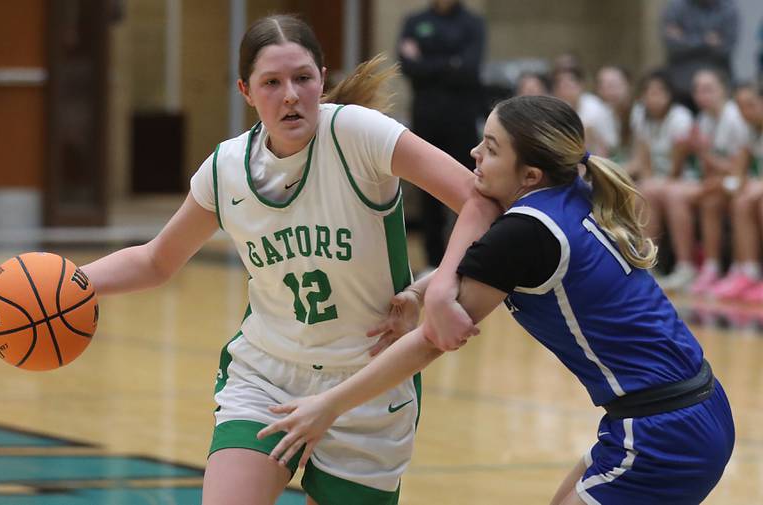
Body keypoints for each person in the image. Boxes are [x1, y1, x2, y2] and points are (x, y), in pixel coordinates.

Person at [79, 14, 495, 505]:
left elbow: (478, 200)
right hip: (268, 373)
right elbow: (156, 261)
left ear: (323, 77)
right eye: (272, 83)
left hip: (368, 380)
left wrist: (433, 288)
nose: (291, 95)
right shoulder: (226, 168)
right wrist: (71, 282)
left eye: (303, 77)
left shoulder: (358, 134)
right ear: (246, 92)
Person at [258, 95, 735, 505]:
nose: (474, 154)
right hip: (689, 409)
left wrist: (328, 406)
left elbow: (432, 341)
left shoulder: (526, 231)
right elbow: (477, 259)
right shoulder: (568, 192)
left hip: (663, 431)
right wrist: (423, 291)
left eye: (490, 147)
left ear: (528, 174)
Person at [398, 0, 486, 270]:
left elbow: (469, 69)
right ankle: (434, 262)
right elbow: (407, 67)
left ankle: (468, 259)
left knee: (469, 188)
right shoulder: (415, 21)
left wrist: (425, 61)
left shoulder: (472, 23)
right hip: (426, 119)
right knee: (428, 192)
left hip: (461, 120)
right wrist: (450, 62)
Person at [663, 68, 750, 294]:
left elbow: (737, 169)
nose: (701, 95)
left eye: (708, 89)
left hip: (742, 182)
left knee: (705, 199)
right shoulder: (703, 119)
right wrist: (689, 151)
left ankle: (742, 270)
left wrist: (703, 152)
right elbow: (708, 170)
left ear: (724, 90)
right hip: (721, 182)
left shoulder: (735, 118)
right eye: (697, 90)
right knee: (683, 196)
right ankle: (697, 267)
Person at [623, 70, 694, 283]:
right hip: (658, 181)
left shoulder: (680, 117)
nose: (653, 97)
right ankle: (648, 262)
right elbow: (643, 159)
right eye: (648, 92)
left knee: (664, 192)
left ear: (669, 94)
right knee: (643, 190)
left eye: (659, 91)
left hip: (684, 178)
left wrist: (655, 183)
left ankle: (685, 266)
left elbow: (678, 167)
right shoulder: (640, 115)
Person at [707, 83, 763, 301]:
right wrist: (725, 185)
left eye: (750, 105)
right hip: (755, 189)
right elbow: (738, 175)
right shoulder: (749, 132)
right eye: (740, 106)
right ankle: (746, 273)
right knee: (737, 200)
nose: (745, 112)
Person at [661, 0, 739, 112]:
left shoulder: (729, 8)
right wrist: (705, 41)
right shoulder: (676, 6)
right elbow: (672, 44)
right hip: (681, 88)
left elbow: (725, 48)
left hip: (716, 85)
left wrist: (685, 37)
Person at [553, 66, 618, 158]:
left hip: (606, 153)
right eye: (561, 86)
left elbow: (601, 143)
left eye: (569, 85)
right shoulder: (562, 106)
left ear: (580, 85)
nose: (565, 90)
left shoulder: (593, 106)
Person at [596, 65, 634, 162]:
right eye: (604, 87)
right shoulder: (602, 115)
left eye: (614, 85)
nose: (610, 92)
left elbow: (640, 162)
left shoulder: (639, 114)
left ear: (628, 85)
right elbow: (601, 156)